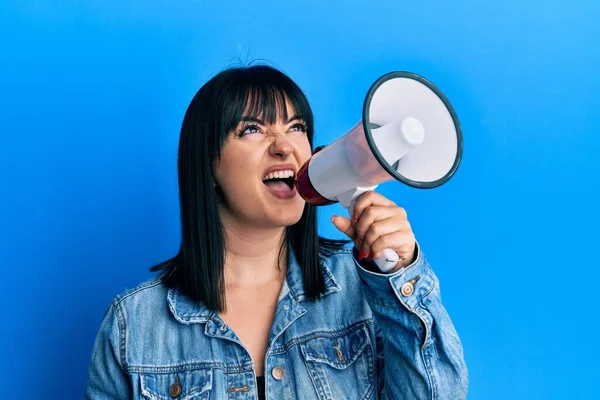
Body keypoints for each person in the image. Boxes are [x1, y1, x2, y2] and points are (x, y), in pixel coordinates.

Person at [85, 64, 468, 399]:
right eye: (251, 129)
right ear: (208, 164)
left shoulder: (364, 289)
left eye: (296, 127)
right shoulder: (134, 324)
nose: (284, 146)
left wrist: (400, 277)